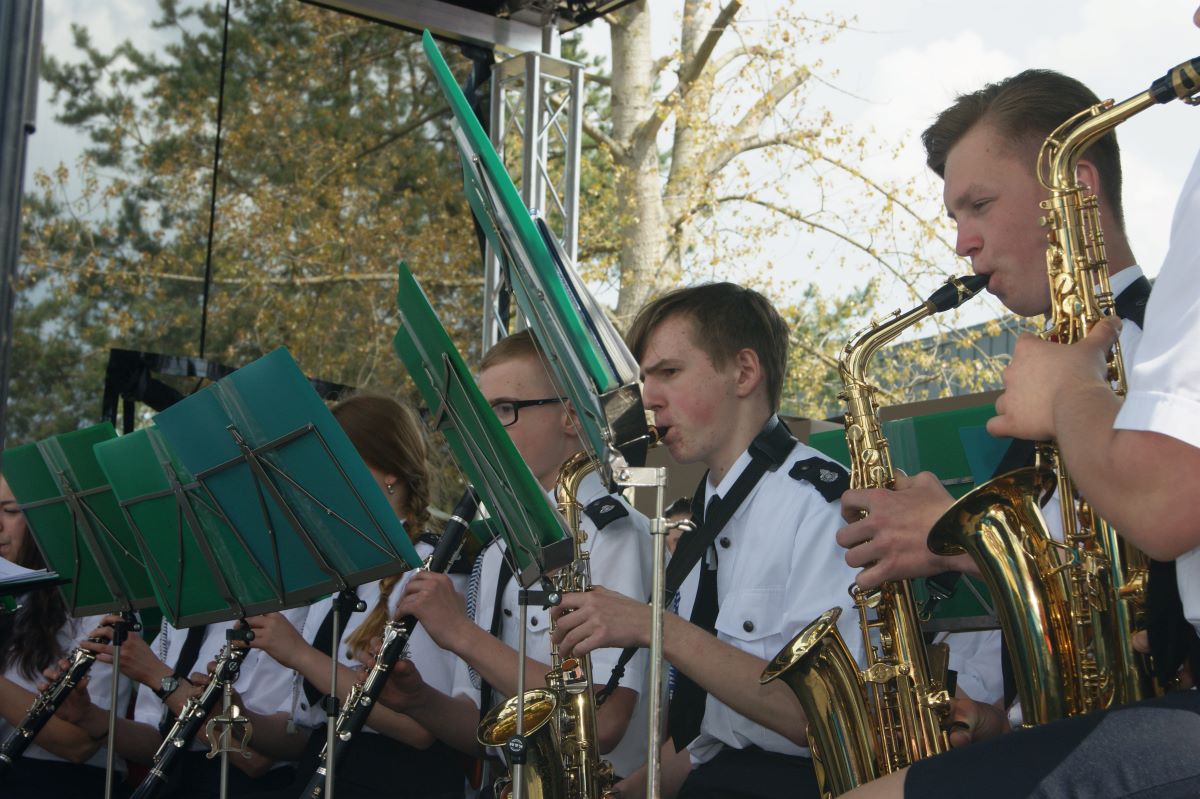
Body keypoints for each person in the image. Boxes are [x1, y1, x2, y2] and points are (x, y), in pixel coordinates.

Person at [840, 9, 1200, 797]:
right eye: (954, 217)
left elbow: (1150, 540)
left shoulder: (1148, 348)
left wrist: (951, 538)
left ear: (1074, 188)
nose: (961, 243)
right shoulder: (1058, 371)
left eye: (979, 204)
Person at [549, 283, 864, 799]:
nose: (647, 397)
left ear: (744, 372)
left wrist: (653, 625)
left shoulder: (821, 503)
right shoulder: (708, 512)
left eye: (668, 372)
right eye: (644, 378)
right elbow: (714, 735)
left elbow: (818, 719)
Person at [379, 328, 653, 791]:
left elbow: (604, 723)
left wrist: (460, 634)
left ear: (569, 416)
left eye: (504, 411)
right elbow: (483, 729)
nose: (486, 435)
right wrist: (417, 701)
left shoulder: (614, 533)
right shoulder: (497, 552)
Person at [239, 393, 468, 799]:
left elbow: (419, 731)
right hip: (323, 768)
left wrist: (300, 656)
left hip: (394, 780)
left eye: (334, 466)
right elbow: (306, 728)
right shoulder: (341, 574)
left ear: (388, 473)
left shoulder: (430, 567)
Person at [0, 473, 130, 797]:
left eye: (10, 511)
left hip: (60, 782)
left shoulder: (97, 603)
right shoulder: (13, 599)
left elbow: (79, 744)